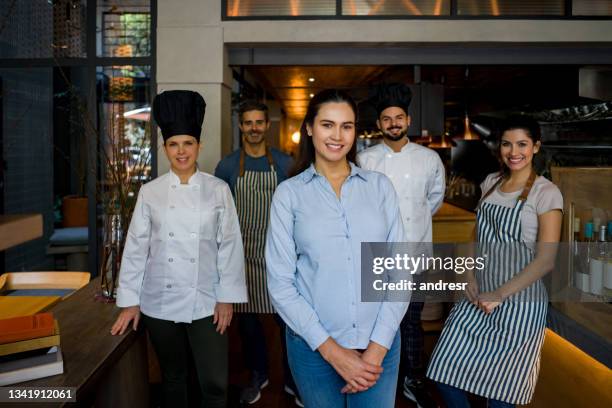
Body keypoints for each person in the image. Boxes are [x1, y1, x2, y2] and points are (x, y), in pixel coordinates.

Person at [265, 89, 409, 408]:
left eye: (347, 126)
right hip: (313, 348)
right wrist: (332, 351)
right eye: (328, 124)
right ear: (309, 128)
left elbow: (398, 273)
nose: (337, 135)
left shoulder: (379, 188)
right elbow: (280, 283)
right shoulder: (289, 195)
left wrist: (376, 348)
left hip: (379, 343)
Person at [111, 90, 247, 408]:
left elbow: (230, 245)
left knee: (214, 383)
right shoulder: (150, 192)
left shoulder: (218, 189)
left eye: (188, 143)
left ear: (198, 146)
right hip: (159, 300)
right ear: (164, 148)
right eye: (174, 144)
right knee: (173, 377)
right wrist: (130, 302)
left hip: (207, 301)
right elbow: (135, 249)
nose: (181, 151)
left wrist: (227, 297)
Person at [426, 115, 563, 407]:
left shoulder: (546, 192)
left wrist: (500, 294)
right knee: (442, 371)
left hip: (519, 307)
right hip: (476, 298)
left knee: (500, 395)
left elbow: (546, 260)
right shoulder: (490, 183)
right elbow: (475, 236)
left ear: (536, 147)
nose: (514, 152)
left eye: (522, 144)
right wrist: (467, 275)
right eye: (507, 144)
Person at [357, 83, 445, 408]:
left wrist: (414, 225)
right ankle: (378, 376)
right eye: (386, 118)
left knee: (412, 321)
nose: (393, 123)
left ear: (407, 119)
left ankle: (412, 379)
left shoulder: (429, 159)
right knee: (376, 319)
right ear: (379, 124)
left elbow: (433, 200)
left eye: (398, 117)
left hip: (416, 256)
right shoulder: (364, 160)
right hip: (377, 257)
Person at [214, 100, 301, 406]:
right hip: (243, 257)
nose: (253, 128)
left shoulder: (284, 164)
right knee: (248, 324)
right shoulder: (227, 166)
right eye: (248, 123)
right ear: (241, 126)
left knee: (288, 321)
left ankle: (294, 381)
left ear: (267, 125)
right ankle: (258, 375)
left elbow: (297, 211)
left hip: (278, 254)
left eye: (258, 123)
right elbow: (219, 214)